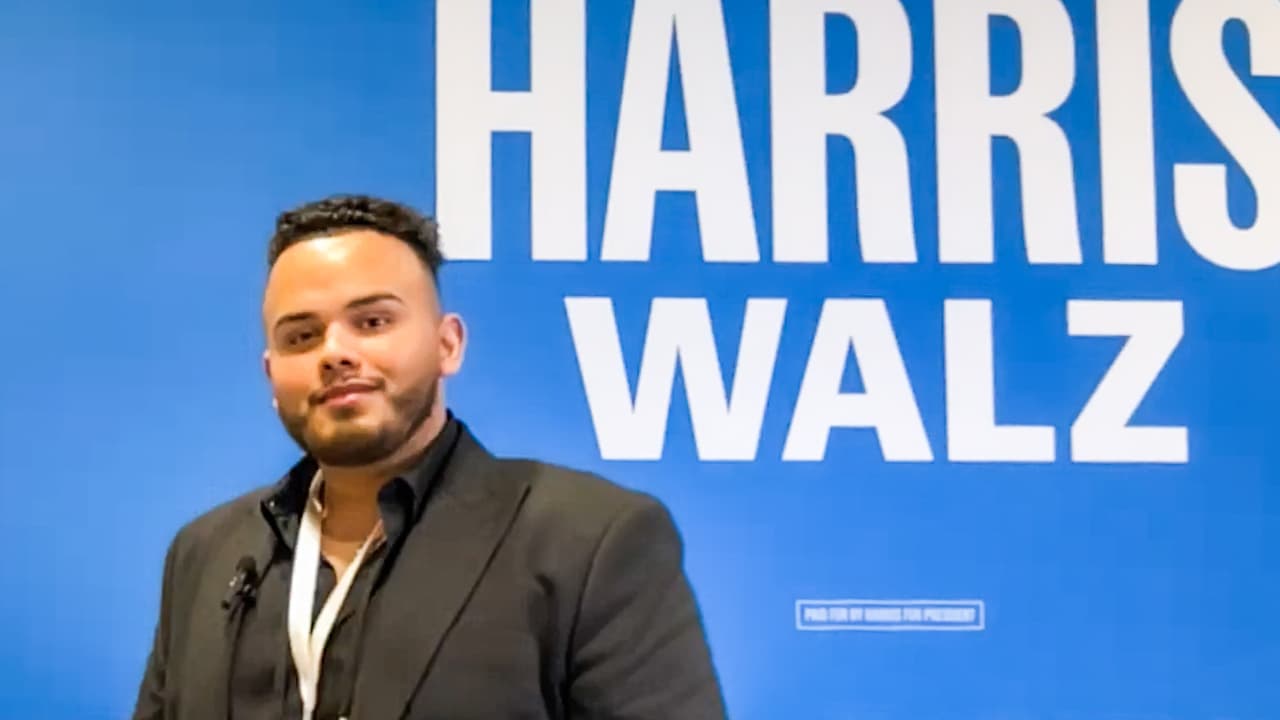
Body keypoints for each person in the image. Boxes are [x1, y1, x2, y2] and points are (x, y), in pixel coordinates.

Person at [131, 194, 727, 720]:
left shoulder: (589, 542)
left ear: (448, 345)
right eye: (301, 336)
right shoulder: (205, 553)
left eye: (372, 321)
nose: (335, 352)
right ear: (271, 372)